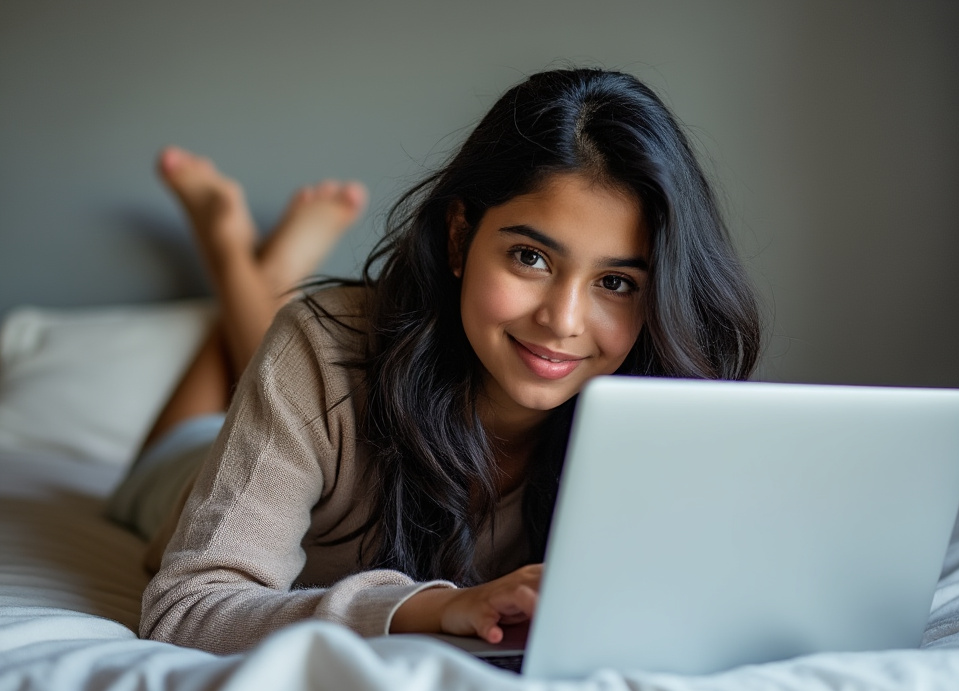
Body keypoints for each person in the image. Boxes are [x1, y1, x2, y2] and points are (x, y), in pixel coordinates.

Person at [120, 68, 762, 655]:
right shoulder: (321, 347)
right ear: (460, 237)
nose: (563, 322)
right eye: (531, 258)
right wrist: (433, 608)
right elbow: (189, 606)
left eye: (616, 283)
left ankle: (256, 267)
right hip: (180, 477)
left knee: (292, 338)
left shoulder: (661, 405)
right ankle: (234, 256)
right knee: (272, 365)